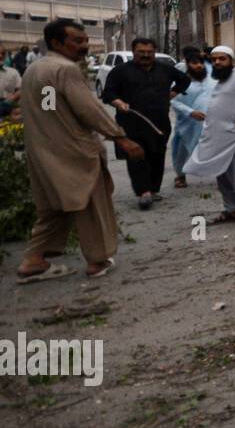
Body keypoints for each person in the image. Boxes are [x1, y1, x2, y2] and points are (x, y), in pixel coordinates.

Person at [15, 19, 143, 284]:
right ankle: (97, 261)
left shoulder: (35, 69)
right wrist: (121, 138)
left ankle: (33, 260)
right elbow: (89, 109)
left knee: (54, 207)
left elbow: (50, 107)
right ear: (56, 43)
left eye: (85, 40)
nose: (84, 46)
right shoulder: (65, 70)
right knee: (91, 204)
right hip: (74, 152)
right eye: (77, 41)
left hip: (43, 152)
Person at [101, 37, 191, 210]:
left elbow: (184, 80)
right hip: (131, 122)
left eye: (149, 52)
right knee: (137, 156)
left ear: (154, 52)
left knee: (157, 155)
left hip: (159, 122)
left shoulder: (165, 69)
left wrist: (174, 92)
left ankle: (154, 189)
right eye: (141, 52)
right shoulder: (120, 71)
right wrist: (119, 103)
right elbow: (108, 93)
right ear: (134, 52)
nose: (146, 55)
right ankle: (143, 192)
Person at [183, 45, 235, 224]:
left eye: (222, 59)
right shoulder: (219, 78)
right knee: (222, 177)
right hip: (217, 138)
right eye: (214, 59)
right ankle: (232, 210)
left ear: (231, 60)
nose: (217, 62)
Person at [170, 47, 216, 188]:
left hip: (210, 121)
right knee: (180, 149)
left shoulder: (211, 78)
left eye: (201, 63)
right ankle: (180, 175)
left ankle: (222, 174)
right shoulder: (180, 82)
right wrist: (190, 112)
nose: (198, 66)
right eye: (194, 63)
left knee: (217, 147)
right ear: (187, 64)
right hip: (187, 122)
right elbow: (172, 100)